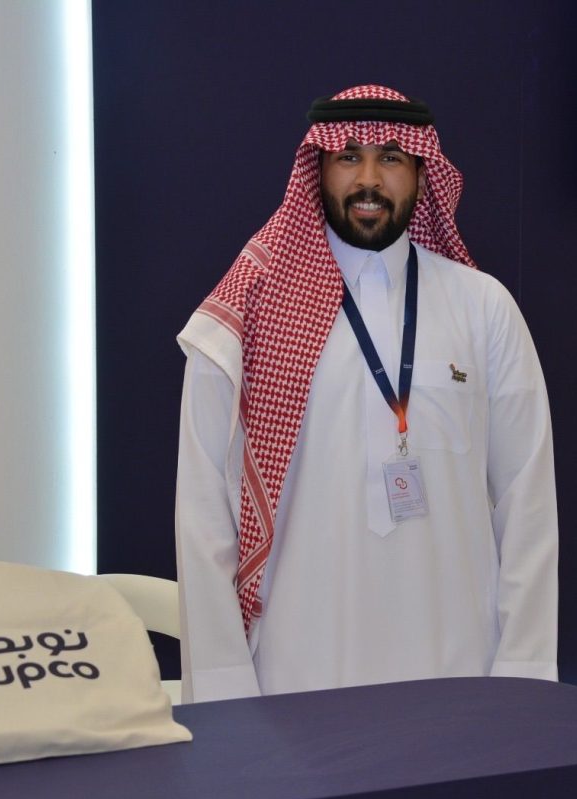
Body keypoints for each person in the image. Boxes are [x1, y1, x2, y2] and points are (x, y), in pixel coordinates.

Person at [175, 84, 557, 702]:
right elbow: (203, 517)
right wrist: (225, 697)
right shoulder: (246, 312)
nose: (369, 179)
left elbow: (528, 505)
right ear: (318, 169)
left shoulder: (483, 307)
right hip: (295, 679)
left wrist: (524, 678)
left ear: (422, 174)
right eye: (349, 156)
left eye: (391, 158)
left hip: (460, 675)